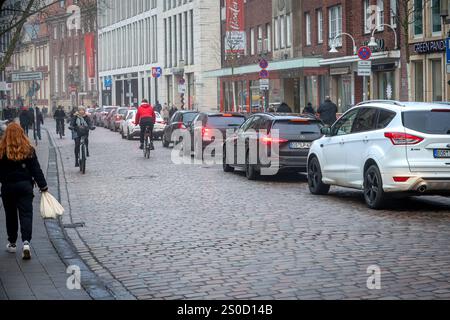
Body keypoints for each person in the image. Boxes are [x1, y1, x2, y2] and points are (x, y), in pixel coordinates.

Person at [0, 122, 48, 260]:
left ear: (6, 135)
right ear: (22, 133)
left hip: (8, 187)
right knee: (26, 214)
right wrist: (43, 186)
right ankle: (26, 243)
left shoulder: (2, 150)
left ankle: (12, 243)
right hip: (25, 186)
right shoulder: (28, 149)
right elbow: (36, 169)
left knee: (10, 215)